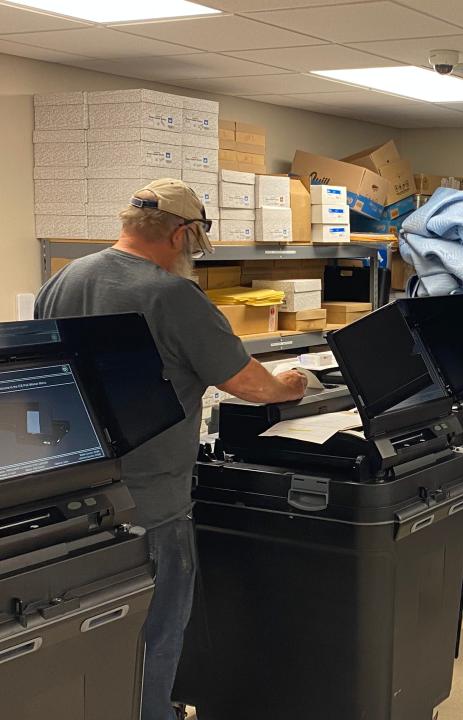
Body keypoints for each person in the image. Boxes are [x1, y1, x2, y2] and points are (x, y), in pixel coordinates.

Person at [35, 179, 308, 720]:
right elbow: (250, 384)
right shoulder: (172, 294)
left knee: (95, 636)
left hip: (77, 497)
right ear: (182, 235)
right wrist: (292, 383)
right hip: (154, 500)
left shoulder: (64, 279)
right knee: (156, 632)